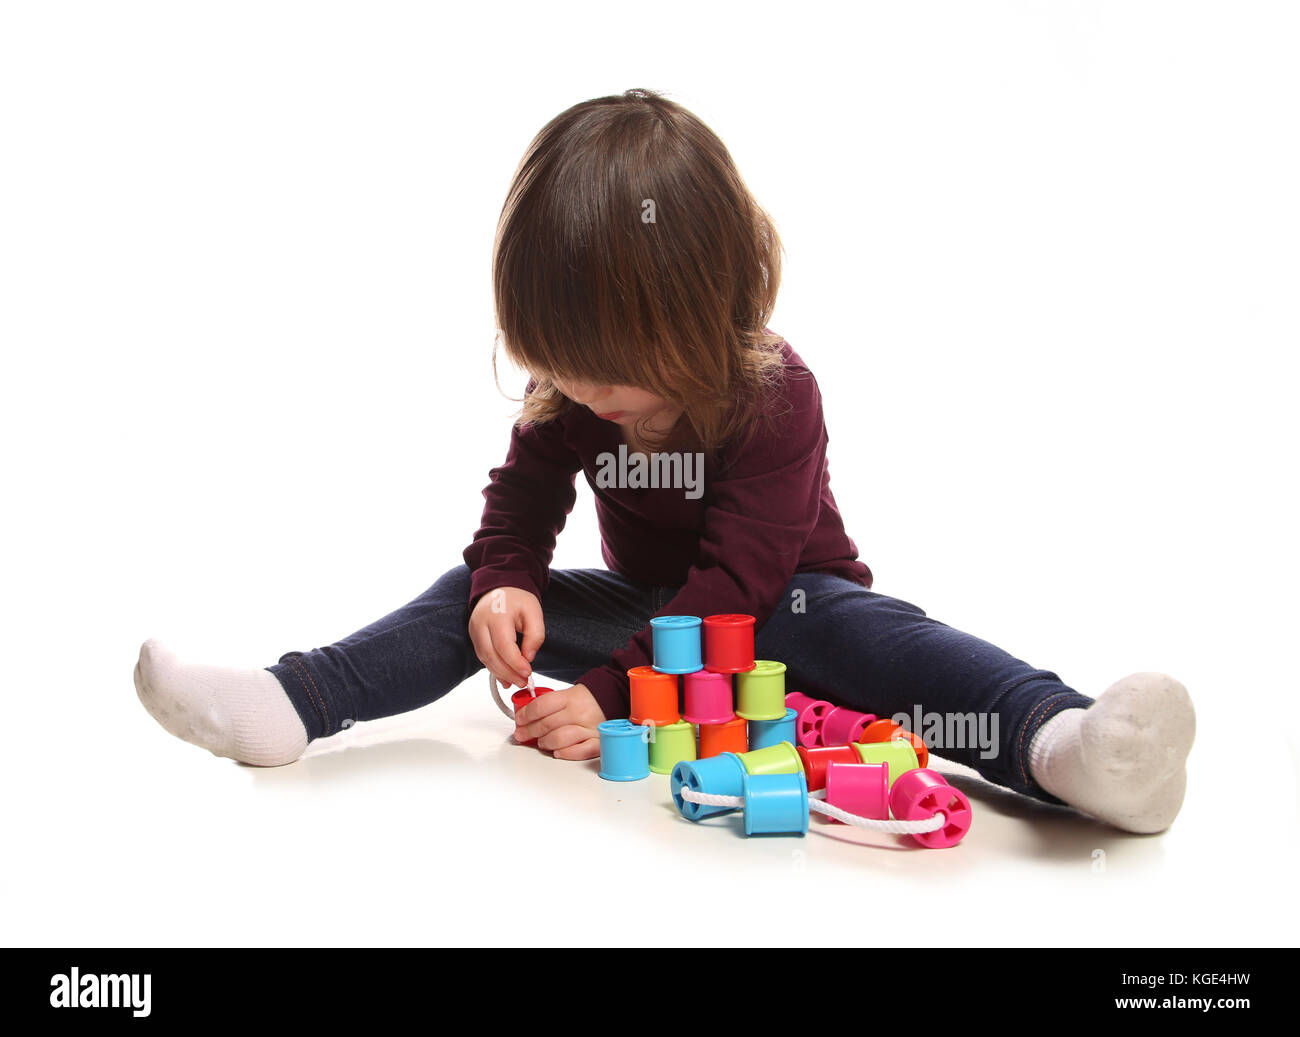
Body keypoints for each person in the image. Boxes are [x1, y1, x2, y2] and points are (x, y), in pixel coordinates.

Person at [134, 88, 1194, 834]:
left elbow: (738, 581)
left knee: (906, 654)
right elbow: (524, 494)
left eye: (609, 380)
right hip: (649, 608)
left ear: (698, 326)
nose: (585, 399)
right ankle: (291, 701)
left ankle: (1069, 746)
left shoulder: (776, 394)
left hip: (789, 608)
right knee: (466, 589)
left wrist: (609, 694)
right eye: (565, 372)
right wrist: (506, 578)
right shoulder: (578, 391)